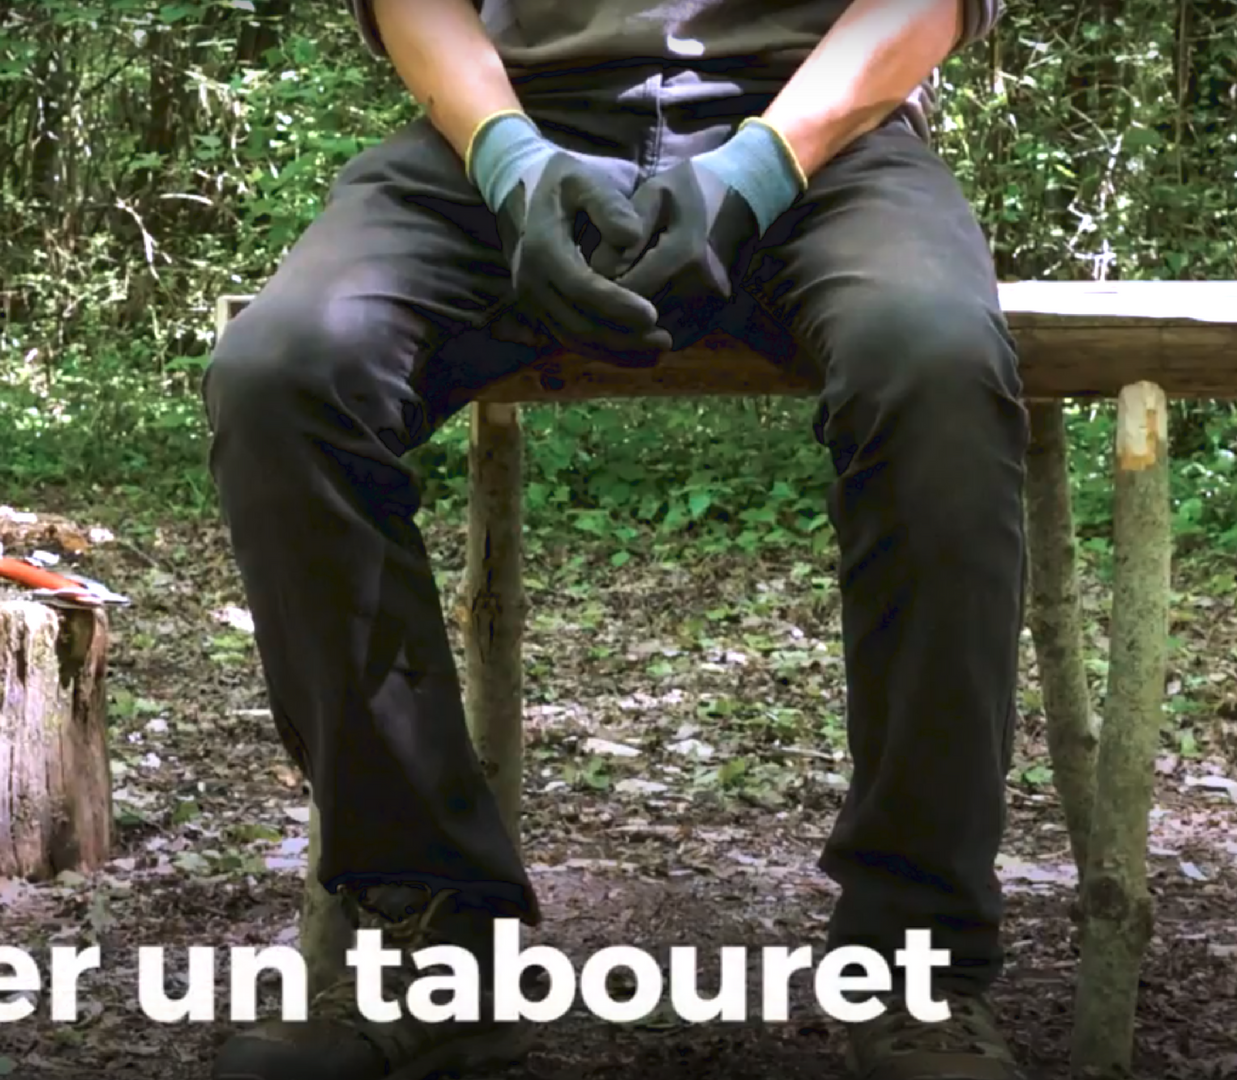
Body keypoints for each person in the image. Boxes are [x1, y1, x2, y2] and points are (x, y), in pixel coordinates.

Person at [200, 0, 1028, 1078]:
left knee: (936, 368)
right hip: (507, 129)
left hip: (828, 134)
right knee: (283, 378)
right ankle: (439, 947)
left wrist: (758, 172)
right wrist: (515, 165)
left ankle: (916, 960)